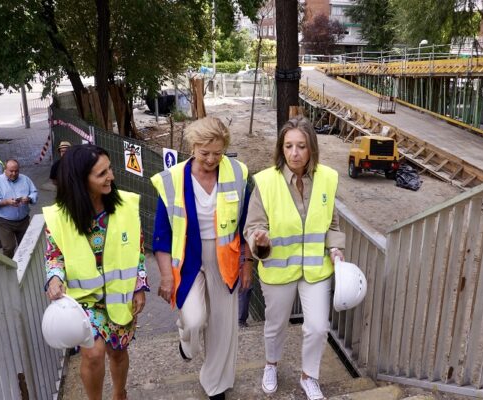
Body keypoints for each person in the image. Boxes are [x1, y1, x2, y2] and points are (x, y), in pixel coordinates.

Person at [244, 117, 345, 400]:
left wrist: (336, 249)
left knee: (317, 327)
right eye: (288, 146)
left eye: (301, 146)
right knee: (275, 325)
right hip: (278, 269)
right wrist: (259, 240)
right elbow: (253, 227)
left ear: (311, 148)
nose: (294, 153)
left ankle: (308, 376)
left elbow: (332, 225)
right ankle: (271, 365)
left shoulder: (327, 178)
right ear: (281, 148)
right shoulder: (265, 182)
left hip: (315, 269)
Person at [151, 116, 251, 400]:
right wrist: (167, 277)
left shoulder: (238, 173)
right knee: (194, 320)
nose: (211, 159)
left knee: (223, 326)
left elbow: (245, 225)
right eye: (205, 153)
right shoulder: (171, 180)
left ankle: (215, 385)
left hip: (226, 257)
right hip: (188, 259)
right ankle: (187, 343)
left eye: (217, 153)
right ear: (192, 147)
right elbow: (161, 235)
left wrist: (247, 264)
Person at [44, 144, 147, 400]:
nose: (111, 176)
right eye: (101, 174)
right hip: (84, 301)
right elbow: (54, 256)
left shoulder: (126, 207)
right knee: (92, 353)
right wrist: (54, 278)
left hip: (120, 297)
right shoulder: (59, 217)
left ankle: (119, 393)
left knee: (118, 352)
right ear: (81, 180)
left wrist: (139, 286)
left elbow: (138, 249)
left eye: (109, 169)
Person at [0, 159, 39, 258]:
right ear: (5, 170)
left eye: (16, 171)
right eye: (11, 171)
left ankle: (24, 268)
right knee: (9, 247)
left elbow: (34, 192)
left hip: (23, 220)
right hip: (4, 222)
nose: (14, 173)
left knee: (26, 246)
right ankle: (9, 269)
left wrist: (29, 198)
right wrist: (6, 202)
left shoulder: (25, 179)